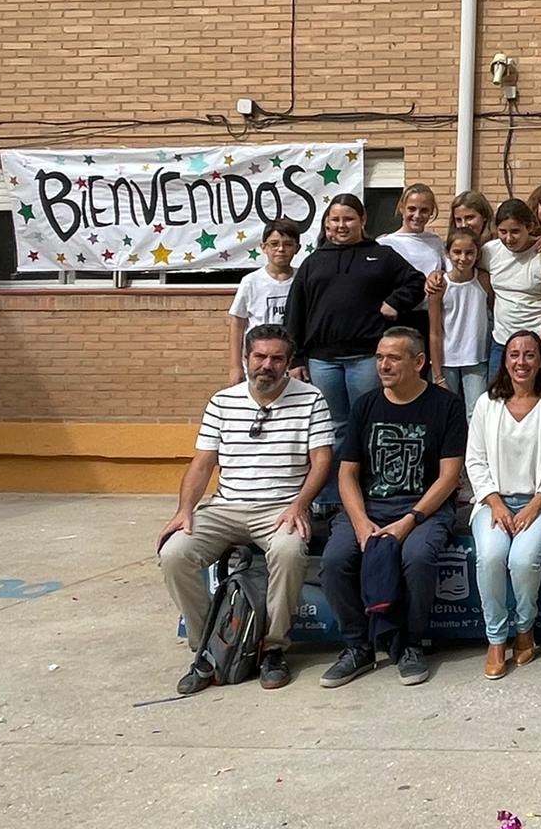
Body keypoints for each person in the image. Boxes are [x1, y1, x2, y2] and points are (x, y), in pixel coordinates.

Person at [160, 325, 334, 693]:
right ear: (246, 358)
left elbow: (322, 461)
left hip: (281, 508)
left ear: (288, 363)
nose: (266, 365)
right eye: (260, 356)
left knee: (288, 552)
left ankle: (273, 648)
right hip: (225, 506)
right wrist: (184, 509)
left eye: (276, 358)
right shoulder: (222, 401)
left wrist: (300, 505)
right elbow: (203, 462)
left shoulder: (311, 398)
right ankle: (211, 647)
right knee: (175, 553)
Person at [318, 328, 466, 688]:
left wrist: (409, 520)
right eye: (380, 357)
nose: (383, 365)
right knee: (335, 560)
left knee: (417, 558)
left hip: (424, 510)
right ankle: (357, 646)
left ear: (419, 362)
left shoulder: (446, 406)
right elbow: (347, 474)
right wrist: (359, 522)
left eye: (393, 358)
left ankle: (410, 644)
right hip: (368, 508)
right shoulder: (366, 405)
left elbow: (449, 477)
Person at [285, 194, 425, 498]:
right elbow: (295, 311)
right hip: (323, 362)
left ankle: (373, 490)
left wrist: (394, 303)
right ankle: (333, 496)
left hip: (367, 359)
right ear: (326, 224)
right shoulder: (313, 262)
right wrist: (296, 358)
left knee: (372, 425)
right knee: (333, 428)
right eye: (334, 220)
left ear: (362, 221)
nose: (341, 225)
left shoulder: (382, 256)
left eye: (348, 218)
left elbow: (415, 281)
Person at [466, 330, 541, 680]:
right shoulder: (487, 404)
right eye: (514, 354)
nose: (521, 362)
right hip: (493, 503)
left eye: (530, 355)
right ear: (504, 360)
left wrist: (533, 507)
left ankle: (525, 628)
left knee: (523, 559)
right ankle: (497, 638)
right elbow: (475, 462)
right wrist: (496, 505)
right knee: (492, 557)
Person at [481, 199, 541, 380]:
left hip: (538, 342)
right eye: (503, 232)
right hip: (502, 343)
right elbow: (465, 268)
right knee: (497, 399)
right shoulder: (489, 252)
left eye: (515, 231)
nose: (508, 238)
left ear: (530, 227)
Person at [378, 184, 448, 370]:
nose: (417, 215)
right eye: (412, 209)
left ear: (432, 212)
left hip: (428, 319)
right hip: (397, 319)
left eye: (424, 210)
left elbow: (447, 273)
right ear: (402, 208)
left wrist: (439, 274)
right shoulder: (385, 243)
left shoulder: (436, 242)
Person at [226, 217, 300, 384]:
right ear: (263, 247)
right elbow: (237, 323)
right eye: (274, 244)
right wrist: (234, 366)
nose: (281, 249)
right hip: (260, 362)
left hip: (292, 362)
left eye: (288, 244)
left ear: (297, 248)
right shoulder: (251, 282)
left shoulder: (303, 279)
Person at [428, 226, 491, 418]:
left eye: (469, 252)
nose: (463, 258)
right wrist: (437, 375)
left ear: (477, 254)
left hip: (477, 357)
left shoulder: (483, 280)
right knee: (447, 413)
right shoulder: (440, 285)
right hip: (447, 360)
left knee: (475, 413)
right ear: (447, 253)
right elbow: (434, 331)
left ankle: (473, 449)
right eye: (457, 252)